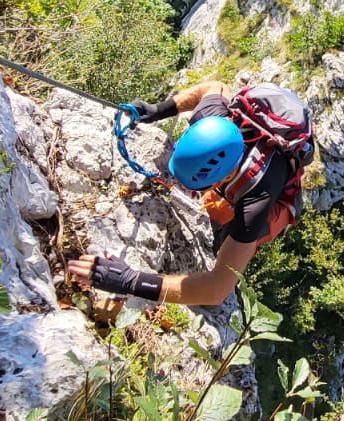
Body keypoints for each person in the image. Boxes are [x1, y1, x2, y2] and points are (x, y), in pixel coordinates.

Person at [66, 80, 312, 306]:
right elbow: (215, 86)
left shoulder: (256, 203)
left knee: (240, 238)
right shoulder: (211, 116)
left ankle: (228, 241)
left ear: (225, 177)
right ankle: (218, 228)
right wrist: (160, 110)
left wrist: (130, 281)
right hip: (250, 146)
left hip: (275, 196)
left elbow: (215, 291)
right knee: (214, 211)